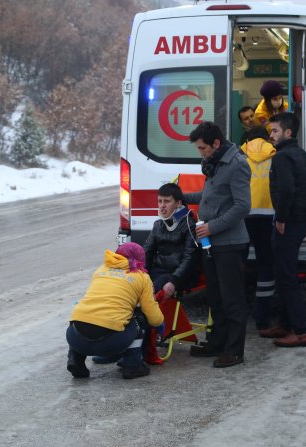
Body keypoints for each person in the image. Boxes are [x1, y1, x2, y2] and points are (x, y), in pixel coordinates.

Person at [185, 121, 251, 368]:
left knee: (232, 298)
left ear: (216, 143)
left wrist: (213, 227)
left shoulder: (236, 165)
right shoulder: (214, 164)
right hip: (211, 243)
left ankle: (234, 351)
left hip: (230, 244)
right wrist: (182, 197)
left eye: (203, 148)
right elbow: (210, 196)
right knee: (215, 297)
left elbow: (243, 206)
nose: (200, 153)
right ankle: (217, 343)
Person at [262, 112, 306, 347]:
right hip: (302, 218)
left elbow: (286, 191)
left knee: (285, 275)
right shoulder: (302, 155)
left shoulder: (283, 157)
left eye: (275, 131)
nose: (271, 135)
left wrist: (282, 218)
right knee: (285, 272)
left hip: (291, 220)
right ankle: (286, 325)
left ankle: (300, 331)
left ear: (287, 133)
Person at [65, 242, 165, 379]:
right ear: (140, 259)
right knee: (139, 318)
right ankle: (133, 365)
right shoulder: (141, 277)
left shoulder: (101, 270)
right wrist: (159, 324)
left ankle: (76, 360)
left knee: (83, 315)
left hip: (75, 338)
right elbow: (153, 316)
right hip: (111, 342)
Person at [240, 126, 277, 331]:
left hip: (244, 215)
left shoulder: (239, 155)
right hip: (268, 216)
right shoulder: (275, 155)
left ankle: (238, 312)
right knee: (266, 264)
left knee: (239, 262)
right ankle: (262, 317)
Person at [144, 183, 201, 299]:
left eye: (167, 201)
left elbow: (189, 258)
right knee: (135, 283)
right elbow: (147, 251)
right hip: (160, 271)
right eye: (160, 201)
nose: (162, 206)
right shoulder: (158, 225)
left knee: (152, 288)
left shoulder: (189, 225)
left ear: (178, 203)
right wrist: (141, 271)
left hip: (181, 275)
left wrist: (174, 280)